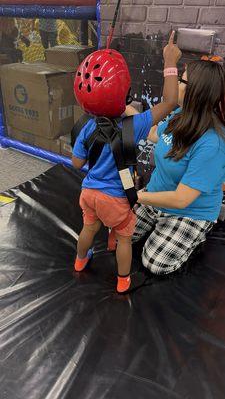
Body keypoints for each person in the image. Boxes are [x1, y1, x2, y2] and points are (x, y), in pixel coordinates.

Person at [72, 32, 181, 294]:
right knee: (123, 239)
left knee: (88, 228)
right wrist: (170, 61)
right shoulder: (136, 124)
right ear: (125, 93)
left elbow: (76, 163)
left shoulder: (87, 127)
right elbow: (170, 102)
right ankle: (123, 280)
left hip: (89, 194)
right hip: (117, 201)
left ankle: (79, 261)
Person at [133, 59, 225, 275]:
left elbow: (181, 199)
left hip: (189, 211)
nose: (176, 84)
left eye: (181, 80)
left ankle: (196, 235)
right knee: (118, 232)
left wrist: (135, 197)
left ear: (195, 92)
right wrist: (126, 113)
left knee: (155, 264)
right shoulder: (179, 115)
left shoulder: (213, 144)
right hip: (156, 196)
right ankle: (157, 225)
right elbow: (155, 134)